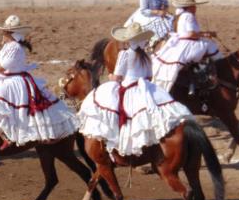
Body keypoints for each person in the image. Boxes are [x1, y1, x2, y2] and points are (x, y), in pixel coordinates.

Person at [78, 23, 192, 157]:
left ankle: (118, 141)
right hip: (146, 86)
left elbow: (117, 77)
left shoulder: (125, 54)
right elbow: (150, 75)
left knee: (105, 104)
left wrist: (110, 76)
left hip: (129, 86)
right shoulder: (146, 56)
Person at [0, 15, 78, 151]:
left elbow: (1, 67)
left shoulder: (15, 47)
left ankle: (6, 135)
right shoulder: (8, 46)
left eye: (5, 32)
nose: (2, 34)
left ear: (11, 33)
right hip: (7, 77)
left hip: (15, 81)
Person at [151, 0, 222, 92]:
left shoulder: (181, 15)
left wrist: (206, 33)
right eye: (194, 6)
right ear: (189, 6)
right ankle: (221, 68)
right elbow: (191, 34)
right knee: (210, 45)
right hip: (188, 44)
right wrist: (206, 34)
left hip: (181, 41)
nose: (195, 8)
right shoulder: (189, 16)